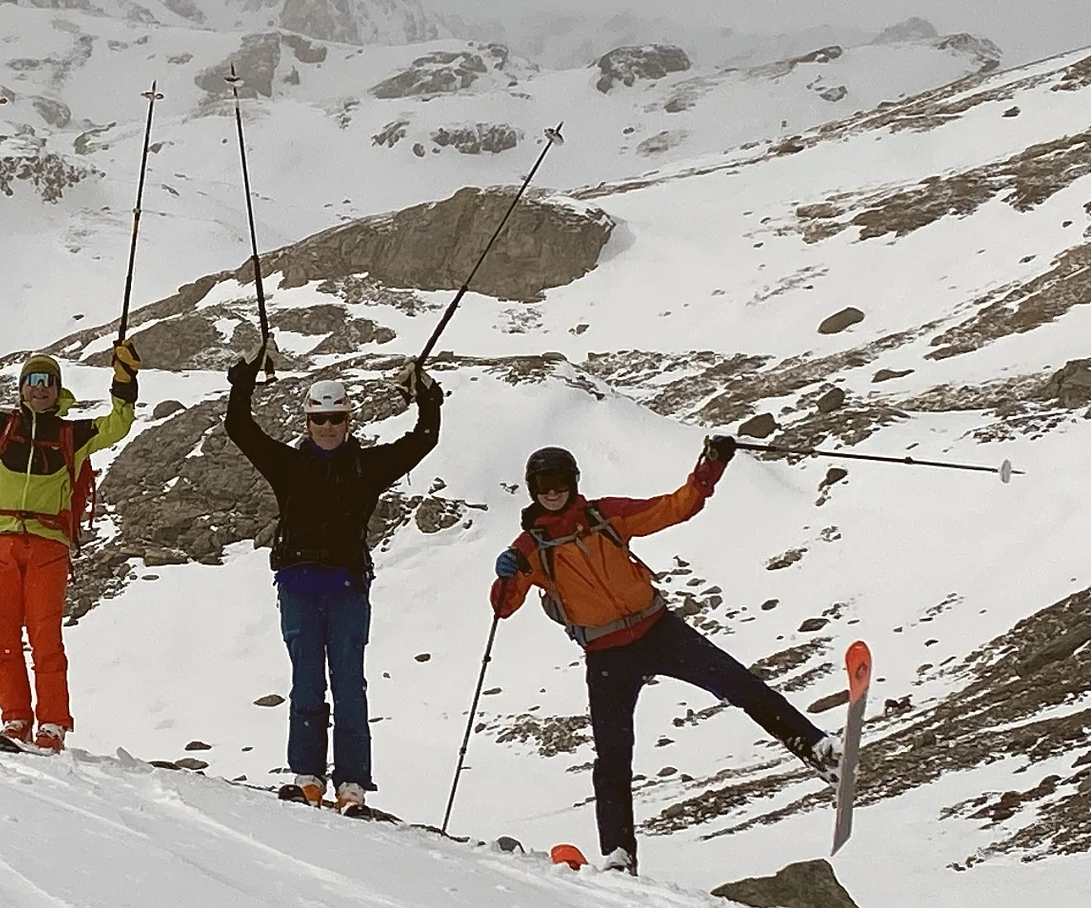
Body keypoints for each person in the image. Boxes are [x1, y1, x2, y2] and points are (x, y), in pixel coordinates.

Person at [488, 438, 841, 874]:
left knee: (742, 686)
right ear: (532, 489)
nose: (553, 490)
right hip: (606, 654)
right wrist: (506, 573)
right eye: (544, 483)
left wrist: (709, 468)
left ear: (573, 482)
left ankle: (817, 749)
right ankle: (618, 855)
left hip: (658, 629)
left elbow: (676, 507)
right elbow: (504, 607)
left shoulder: (604, 515)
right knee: (613, 757)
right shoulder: (529, 549)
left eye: (560, 480)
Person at [224, 355, 442, 815]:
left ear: (348, 420)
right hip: (299, 587)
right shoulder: (288, 465)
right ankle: (308, 778)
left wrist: (427, 395)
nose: (327, 426)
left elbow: (424, 440)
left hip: (346, 589)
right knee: (306, 683)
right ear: (307, 420)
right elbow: (240, 429)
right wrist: (242, 382)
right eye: (319, 418)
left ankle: (352, 785)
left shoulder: (367, 465)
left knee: (347, 685)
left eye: (335, 418)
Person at [0, 319, 140, 752]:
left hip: (47, 543)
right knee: (3, 635)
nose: (40, 387)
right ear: (22, 388)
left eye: (48, 381)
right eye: (33, 380)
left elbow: (117, 425)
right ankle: (16, 719)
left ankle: (51, 723)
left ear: (56, 389)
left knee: (45, 635)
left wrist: (124, 381)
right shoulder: (1, 427)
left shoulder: (71, 434)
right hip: (2, 541)